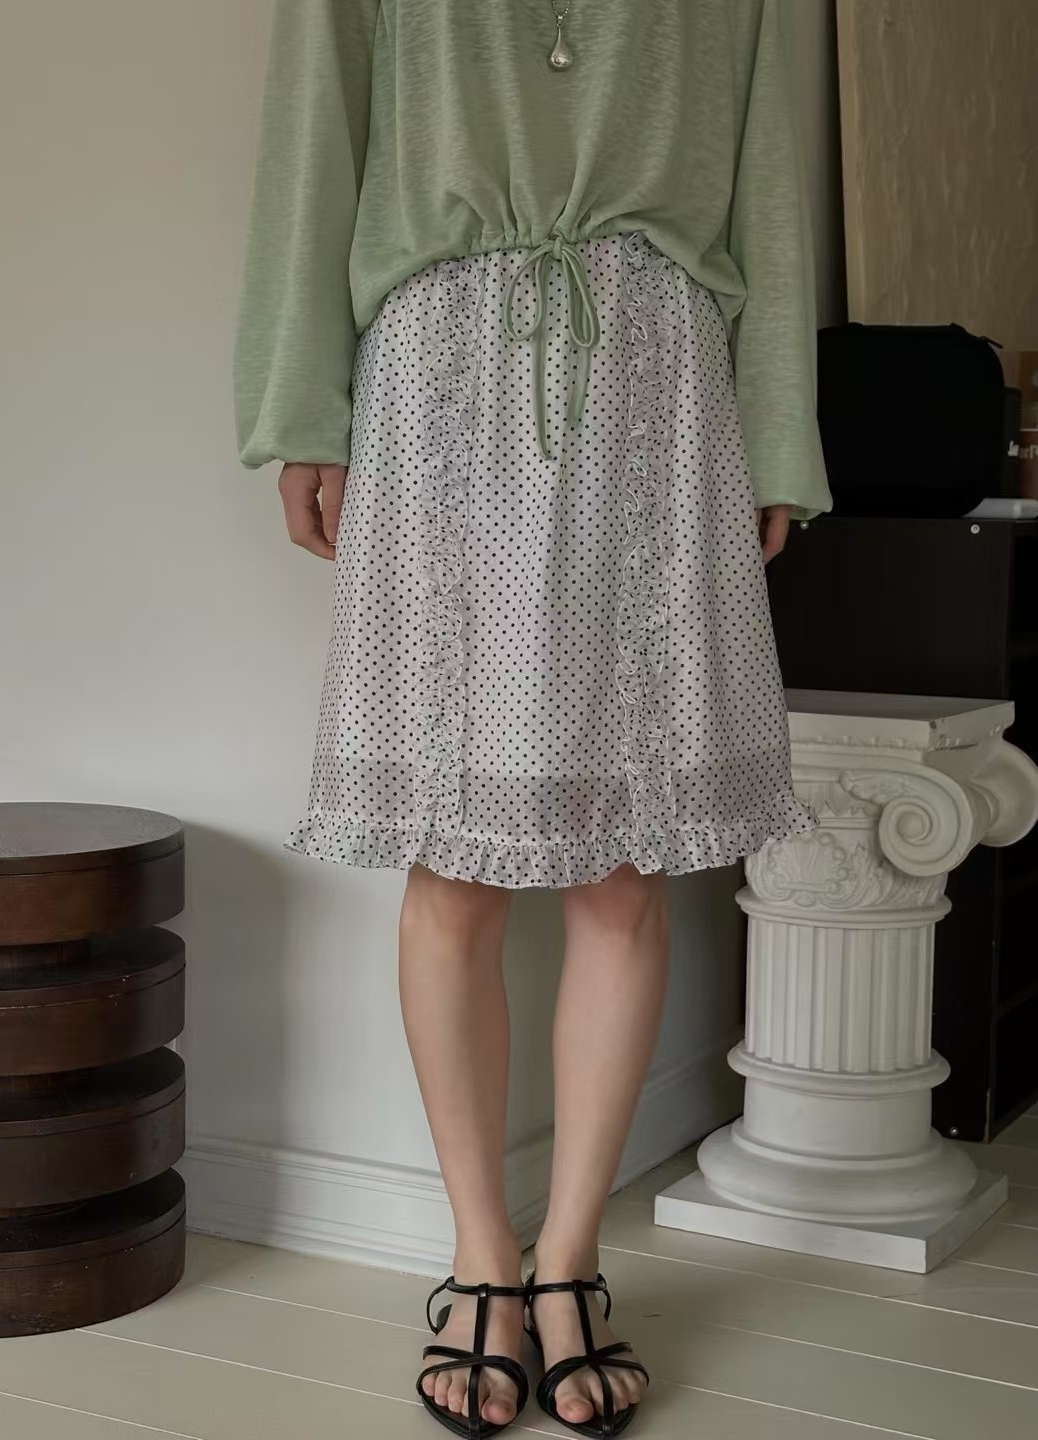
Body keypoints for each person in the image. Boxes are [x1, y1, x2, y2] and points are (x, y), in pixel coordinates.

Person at [233, 2, 832, 1435]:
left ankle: (568, 1261)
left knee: (623, 863)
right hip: (440, 375)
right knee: (452, 859)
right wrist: (300, 408)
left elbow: (767, 173)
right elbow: (315, 142)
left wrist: (779, 428)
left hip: (660, 383)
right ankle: (480, 1260)